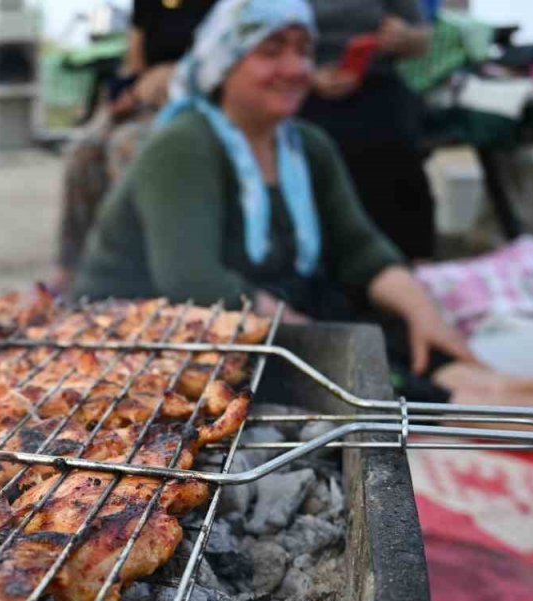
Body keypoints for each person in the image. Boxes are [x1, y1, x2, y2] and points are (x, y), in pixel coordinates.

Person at [73, 0, 475, 400]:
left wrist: (424, 314)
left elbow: (360, 250)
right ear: (223, 63)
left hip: (248, 325)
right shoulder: (183, 145)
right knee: (417, 387)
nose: (296, 68)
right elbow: (195, 284)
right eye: (270, 51)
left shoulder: (306, 145)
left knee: (422, 352)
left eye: (304, 50)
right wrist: (329, 346)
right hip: (136, 349)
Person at [57, 0, 219, 286]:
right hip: (147, 102)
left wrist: (175, 75)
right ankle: (74, 272)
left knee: (128, 146)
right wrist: (124, 94)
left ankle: (141, 272)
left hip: (201, 103)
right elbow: (135, 65)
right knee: (82, 151)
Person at [300, 0, 435, 260]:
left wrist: (405, 38)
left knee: (393, 153)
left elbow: (423, 39)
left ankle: (403, 264)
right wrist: (309, 76)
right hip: (298, 87)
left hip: (374, 82)